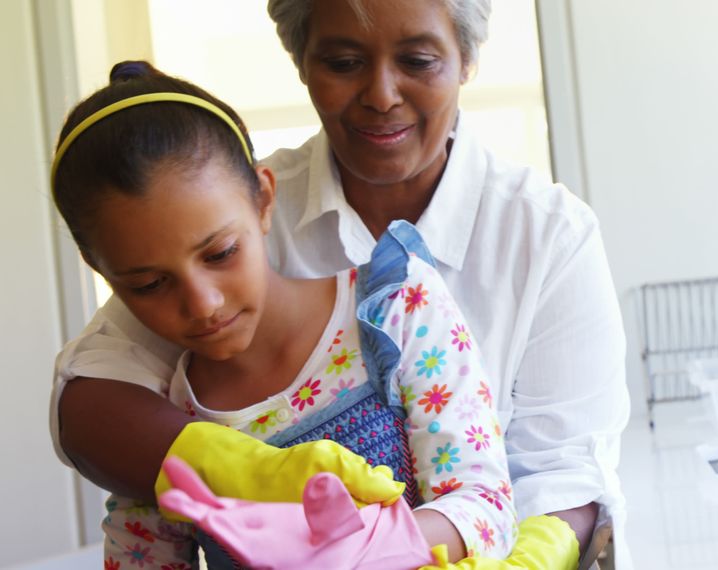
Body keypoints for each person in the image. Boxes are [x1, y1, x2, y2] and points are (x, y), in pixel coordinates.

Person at [51, 0, 631, 565]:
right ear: (302, 61)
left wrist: (493, 552)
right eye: (343, 62)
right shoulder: (198, 214)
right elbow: (90, 402)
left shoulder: (541, 237)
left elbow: (560, 473)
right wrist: (241, 470)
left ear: (466, 58)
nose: (381, 95)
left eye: (419, 60)